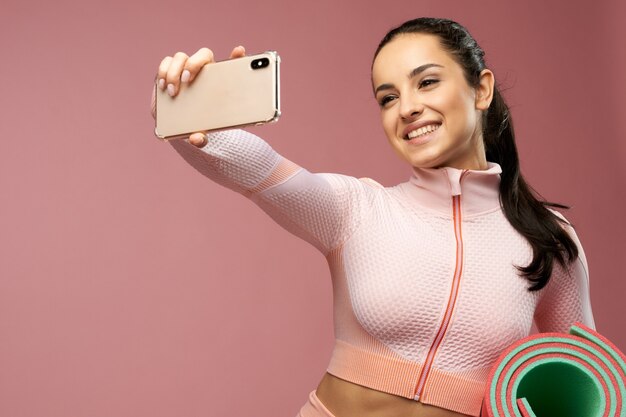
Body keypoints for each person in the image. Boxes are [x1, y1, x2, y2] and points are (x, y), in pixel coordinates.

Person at [150, 17, 595, 417]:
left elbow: (589, 385)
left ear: (481, 89)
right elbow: (251, 166)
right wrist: (183, 107)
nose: (406, 108)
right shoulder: (355, 208)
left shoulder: (550, 241)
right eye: (388, 97)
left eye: (426, 83)